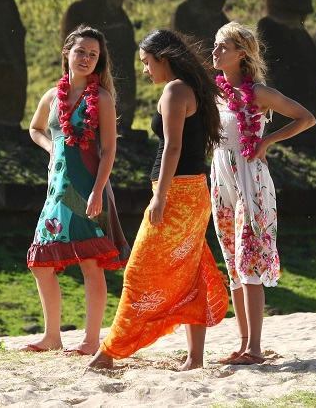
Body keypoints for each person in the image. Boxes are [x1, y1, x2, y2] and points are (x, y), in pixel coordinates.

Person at [89, 28, 230, 371]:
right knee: (191, 270)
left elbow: (173, 147)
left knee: (138, 271)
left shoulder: (175, 90)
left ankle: (109, 352)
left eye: (147, 62)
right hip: (194, 191)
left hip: (178, 194)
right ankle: (194, 358)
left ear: (163, 59)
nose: (144, 70)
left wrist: (160, 197)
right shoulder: (191, 88)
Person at [209, 21, 316, 365]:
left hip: (250, 179)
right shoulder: (215, 93)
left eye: (223, 47)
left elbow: (306, 118)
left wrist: (267, 141)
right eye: (215, 45)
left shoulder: (257, 93)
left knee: (248, 258)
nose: (215, 51)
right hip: (220, 177)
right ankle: (242, 344)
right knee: (232, 262)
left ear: (241, 54)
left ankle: (255, 348)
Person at [23, 25, 129, 355]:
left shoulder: (103, 99)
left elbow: (109, 150)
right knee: (40, 263)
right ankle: (52, 336)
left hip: (87, 188)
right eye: (80, 51)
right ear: (67, 53)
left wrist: (97, 192)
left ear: (99, 61)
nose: (86, 58)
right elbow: (35, 128)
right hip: (57, 191)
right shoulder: (52, 97)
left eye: (93, 54)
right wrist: (51, 148)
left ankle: (90, 340)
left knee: (90, 261)